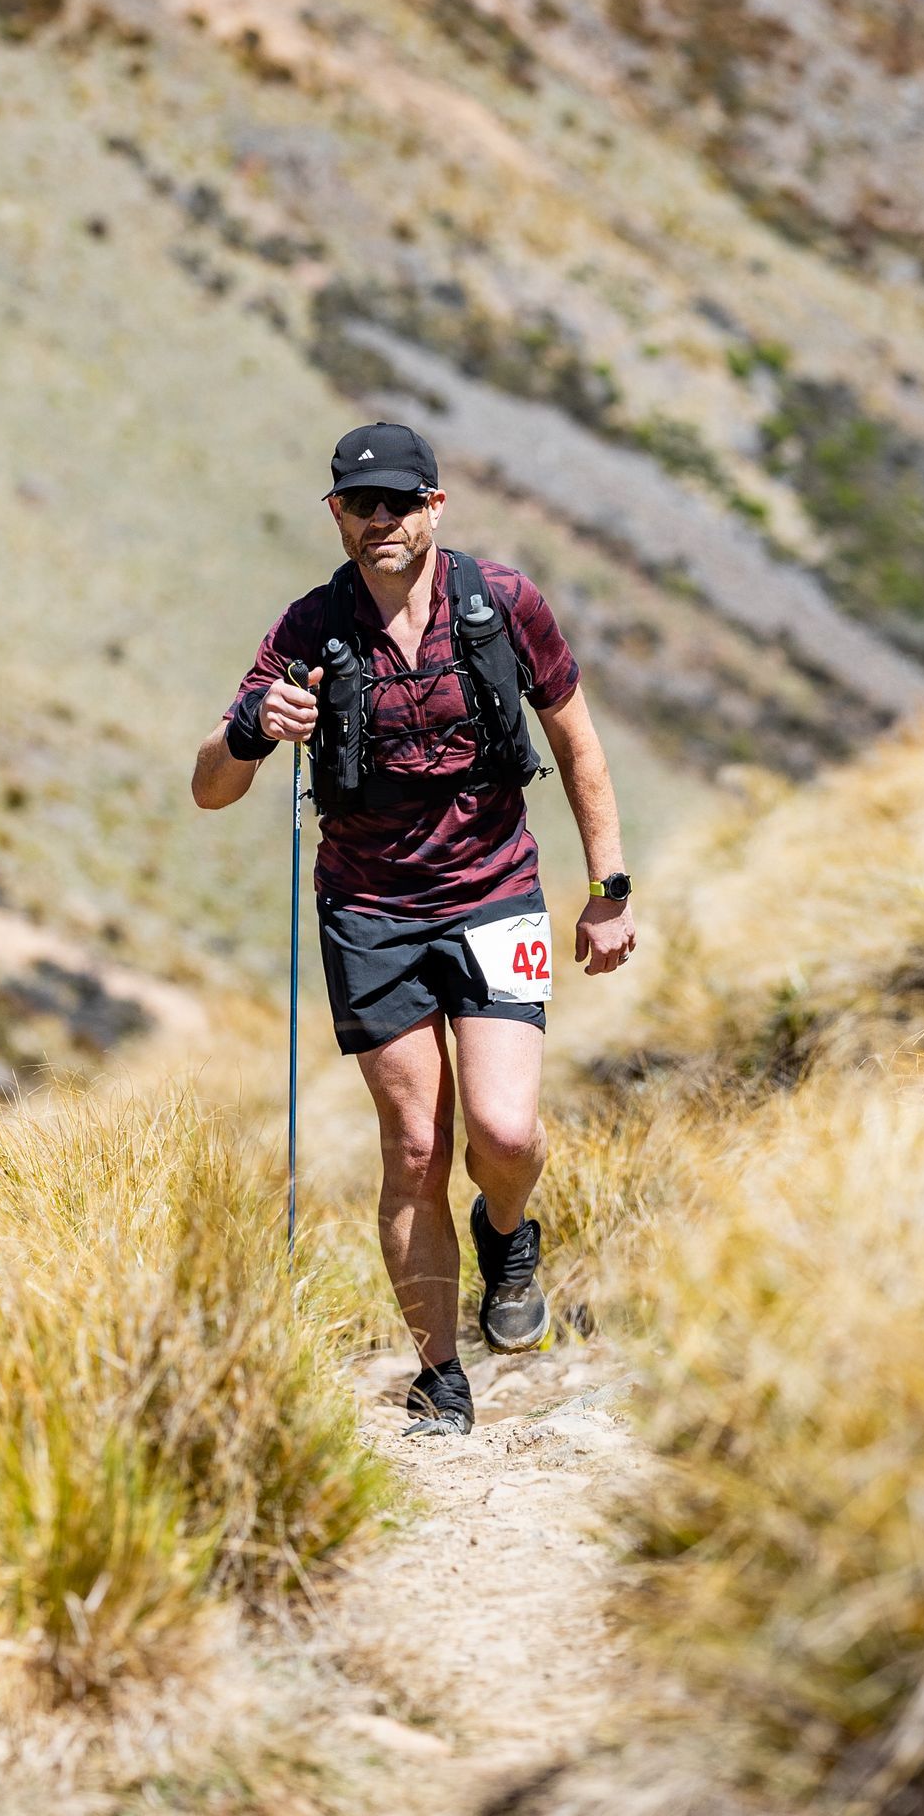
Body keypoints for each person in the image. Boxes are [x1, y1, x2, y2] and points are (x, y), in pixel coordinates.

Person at [192, 420, 635, 1436]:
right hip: (371, 910)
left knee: (506, 1133)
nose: (380, 521)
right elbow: (211, 786)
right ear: (338, 515)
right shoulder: (308, 630)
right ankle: (439, 1377)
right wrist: (255, 728)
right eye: (360, 505)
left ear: (435, 507)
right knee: (416, 1146)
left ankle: (508, 1231)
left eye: (400, 502)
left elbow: (574, 737)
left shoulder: (503, 604)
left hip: (497, 894)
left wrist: (608, 884)